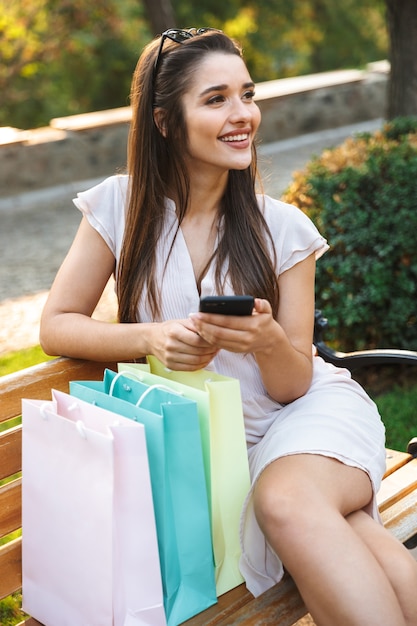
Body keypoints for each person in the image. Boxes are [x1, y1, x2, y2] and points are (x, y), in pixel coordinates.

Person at [40, 28, 417, 626]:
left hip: (308, 418)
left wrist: (268, 342)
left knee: (286, 498)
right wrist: (150, 337)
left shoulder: (283, 229)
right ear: (165, 122)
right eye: (215, 99)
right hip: (214, 450)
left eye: (247, 94)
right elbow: (56, 325)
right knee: (350, 533)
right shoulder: (119, 207)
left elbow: (294, 385)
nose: (243, 115)